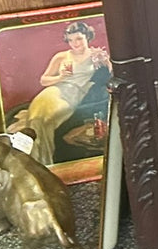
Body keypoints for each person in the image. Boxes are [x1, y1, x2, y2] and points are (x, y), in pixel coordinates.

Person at [24, 22, 111, 165]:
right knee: (36, 118)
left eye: (79, 39)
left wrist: (106, 61)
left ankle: (45, 161)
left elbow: (112, 73)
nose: (75, 44)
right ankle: (36, 160)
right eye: (71, 40)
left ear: (87, 37)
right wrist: (60, 77)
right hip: (55, 91)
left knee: (47, 120)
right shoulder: (61, 56)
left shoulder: (96, 55)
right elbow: (43, 80)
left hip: (75, 94)